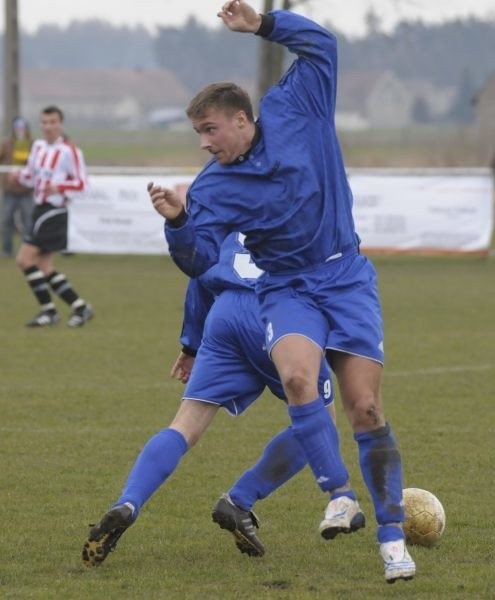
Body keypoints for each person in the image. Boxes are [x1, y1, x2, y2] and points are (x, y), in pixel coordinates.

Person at [148, 1, 415, 583]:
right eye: (198, 134)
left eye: (209, 130)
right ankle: (339, 495)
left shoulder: (297, 105)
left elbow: (323, 46)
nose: (203, 144)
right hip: (287, 288)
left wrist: (265, 25)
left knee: (365, 408)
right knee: (297, 376)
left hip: (346, 277)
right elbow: (197, 261)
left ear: (242, 119)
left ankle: (394, 540)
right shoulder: (213, 185)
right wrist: (177, 222)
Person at [82, 232, 352, 566]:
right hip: (278, 315)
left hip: (225, 314)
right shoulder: (311, 210)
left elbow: (199, 271)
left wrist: (190, 346)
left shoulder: (234, 210)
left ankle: (129, 503)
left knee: (186, 424)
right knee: (321, 425)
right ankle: (239, 500)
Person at [10, 105, 94, 328]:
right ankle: (78, 307)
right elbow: (31, 177)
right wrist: (19, 176)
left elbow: (83, 184)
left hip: (54, 211)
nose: (48, 127)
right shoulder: (37, 146)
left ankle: (50, 311)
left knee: (24, 259)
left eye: (53, 122)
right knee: (45, 266)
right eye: (44, 122)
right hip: (40, 208)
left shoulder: (70, 151)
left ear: (61, 124)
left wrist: (59, 187)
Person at [0, 117, 33, 257]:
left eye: (22, 127)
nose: (20, 130)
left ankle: (27, 250)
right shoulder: (6, 144)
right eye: (17, 127)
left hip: (26, 190)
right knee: (6, 219)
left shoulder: (33, 144)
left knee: (28, 220)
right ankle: (7, 250)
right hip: (10, 190)